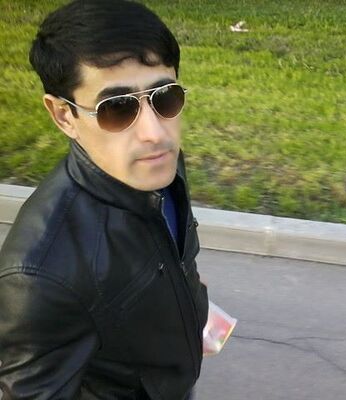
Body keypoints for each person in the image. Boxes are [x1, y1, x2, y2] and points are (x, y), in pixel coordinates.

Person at [0, 1, 208, 398]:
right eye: (117, 108)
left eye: (165, 97)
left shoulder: (159, 166)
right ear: (64, 116)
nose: (154, 132)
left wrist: (192, 301)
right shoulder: (39, 277)